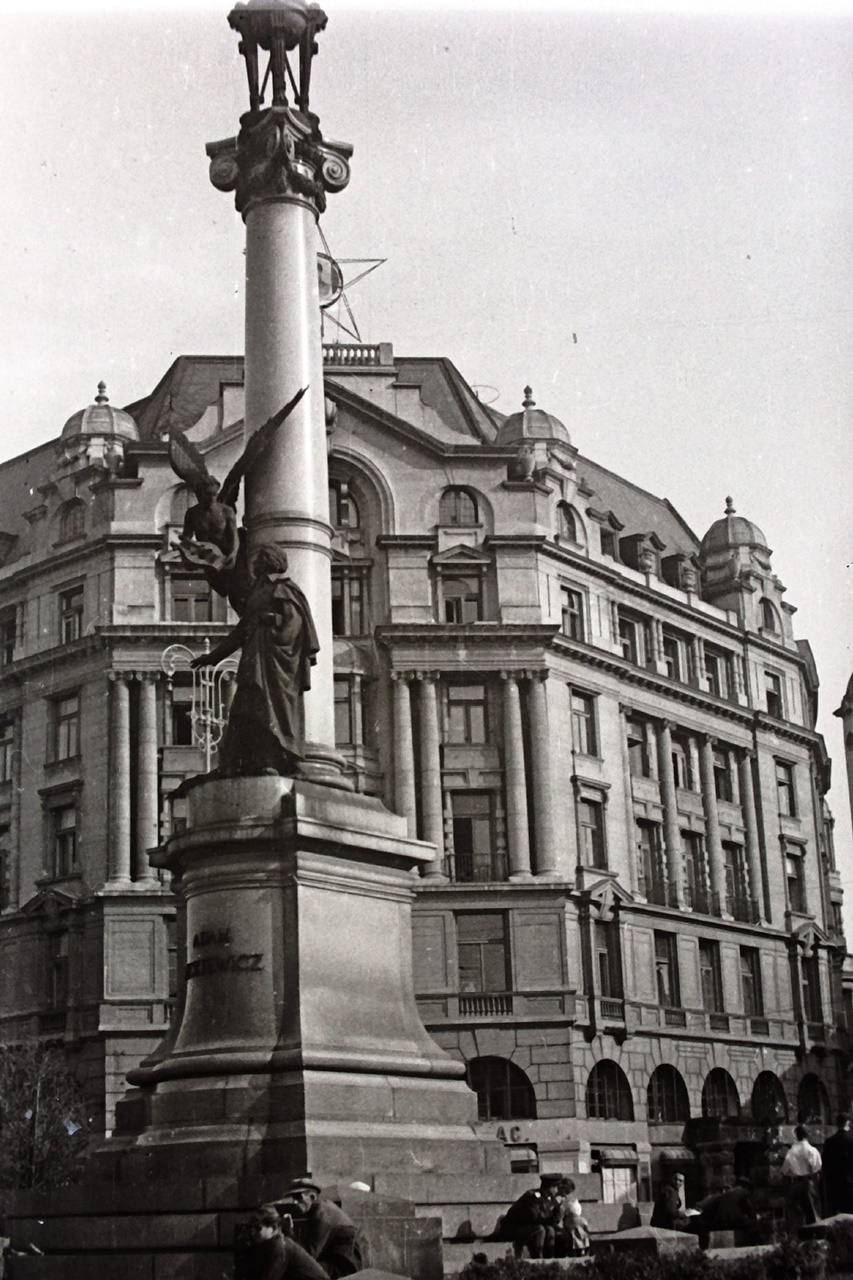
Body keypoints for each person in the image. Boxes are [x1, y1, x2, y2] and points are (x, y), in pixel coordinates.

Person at [191, 545, 319, 776]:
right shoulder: (258, 592)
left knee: (272, 711)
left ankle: (274, 760)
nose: (254, 563)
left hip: (274, 663)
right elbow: (241, 631)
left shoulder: (284, 588)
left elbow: (294, 625)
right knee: (248, 709)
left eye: (259, 559)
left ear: (269, 562)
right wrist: (213, 657)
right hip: (254, 662)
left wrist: (270, 621)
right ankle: (248, 761)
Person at [277, 1179, 366, 1279]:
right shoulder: (320, 1208)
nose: (295, 1202)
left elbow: (309, 1255)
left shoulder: (322, 1216)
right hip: (335, 1262)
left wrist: (289, 1231)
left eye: (298, 1197)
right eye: (294, 1198)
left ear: (312, 1197)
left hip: (342, 1269)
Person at [234, 1205, 329, 1280]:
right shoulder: (269, 1243)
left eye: (258, 1228)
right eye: (251, 1228)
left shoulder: (278, 1246)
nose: (253, 1232)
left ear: (273, 1228)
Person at [782, 1123, 823, 1232]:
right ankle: (814, 1235)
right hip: (809, 1183)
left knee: (797, 1216)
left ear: (796, 1136)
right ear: (807, 1135)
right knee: (813, 1215)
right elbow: (817, 1169)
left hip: (795, 1184)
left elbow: (785, 1171)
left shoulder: (791, 1152)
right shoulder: (812, 1151)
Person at [822, 1112, 853, 1216]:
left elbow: (825, 1164)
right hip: (850, 1182)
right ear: (848, 1123)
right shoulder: (851, 1141)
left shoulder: (829, 1142)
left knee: (837, 1213)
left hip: (834, 1182)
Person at [556, 1178, 590, 1256]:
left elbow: (561, 1211)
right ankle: (581, 1250)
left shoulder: (565, 1199)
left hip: (572, 1220)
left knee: (575, 1233)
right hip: (577, 1219)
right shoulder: (572, 1199)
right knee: (579, 1233)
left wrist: (558, 1221)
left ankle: (578, 1250)